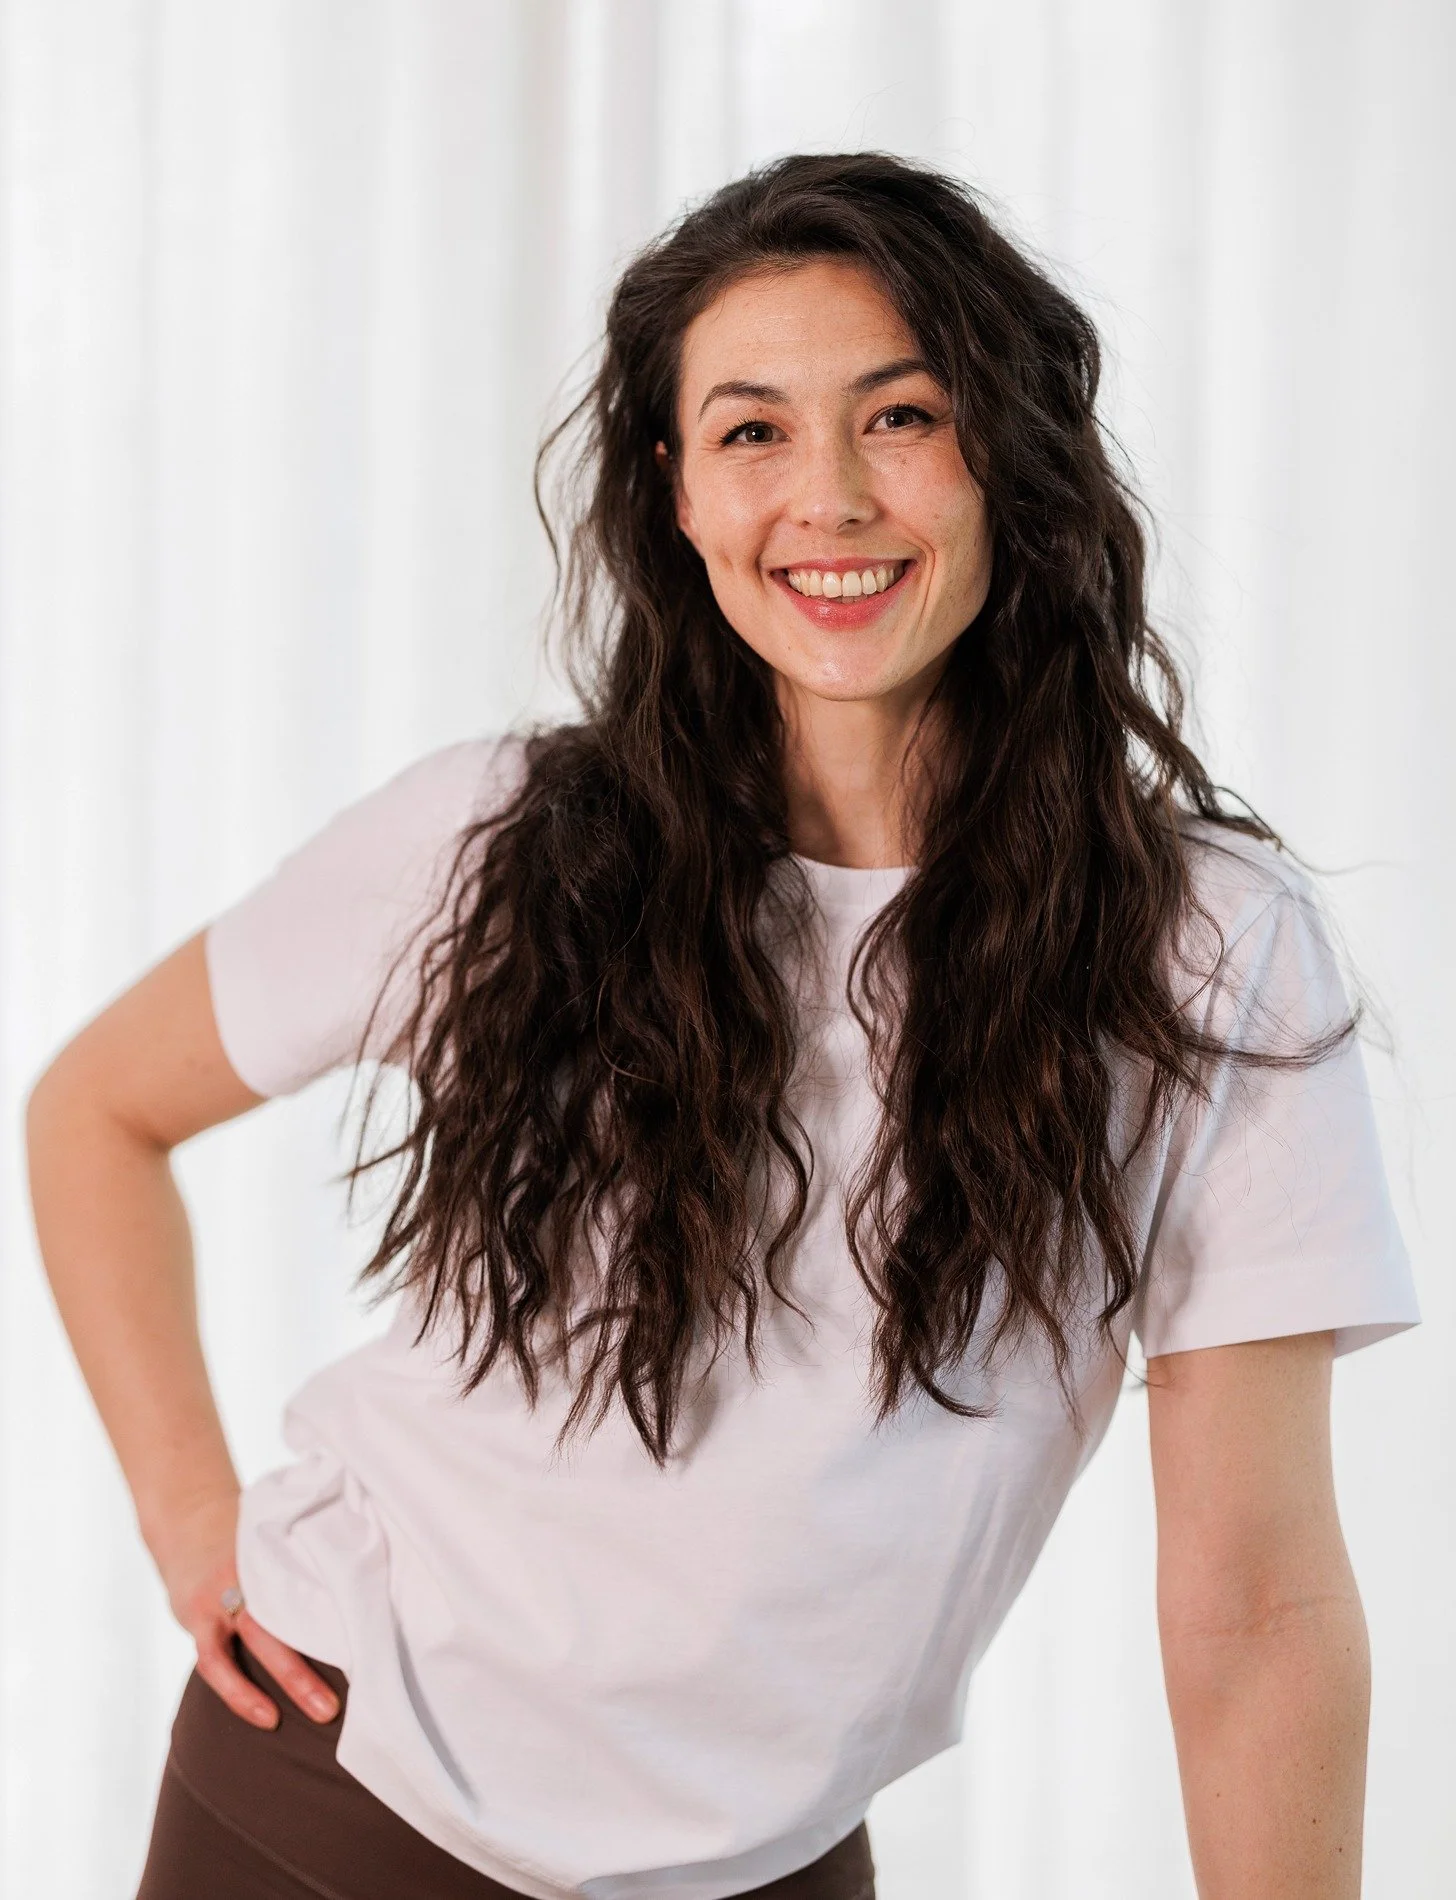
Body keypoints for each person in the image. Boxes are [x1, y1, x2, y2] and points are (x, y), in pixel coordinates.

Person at [26, 152, 1417, 1900]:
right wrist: (189, 1517)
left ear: (1011, 454)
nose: (828, 497)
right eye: (753, 431)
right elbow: (94, 1110)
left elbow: (1258, 1608)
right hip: (332, 1791)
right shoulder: (495, 840)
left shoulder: (1208, 953)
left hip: (771, 1859)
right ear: (676, 493)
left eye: (901, 416)